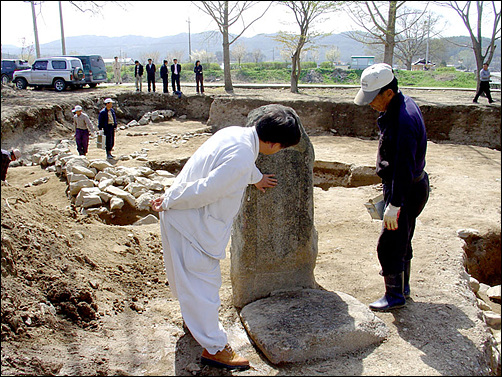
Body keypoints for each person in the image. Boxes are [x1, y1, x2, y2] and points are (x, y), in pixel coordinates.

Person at [150, 105, 302, 370]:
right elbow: (209, 189)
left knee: (190, 281)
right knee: (204, 285)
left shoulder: (236, 134)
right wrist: (170, 200)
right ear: (274, 144)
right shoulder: (243, 158)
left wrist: (256, 177)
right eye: (281, 147)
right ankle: (216, 348)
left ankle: (195, 322)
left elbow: (233, 168)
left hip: (185, 218)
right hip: (190, 223)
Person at [353, 63, 430, 312]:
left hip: (405, 189)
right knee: (402, 237)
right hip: (410, 186)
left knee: (390, 243)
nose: (370, 104)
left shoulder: (404, 121)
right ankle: (403, 287)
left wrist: (394, 204)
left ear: (388, 92)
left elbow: (403, 168)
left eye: (373, 98)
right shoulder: (401, 105)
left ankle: (395, 296)